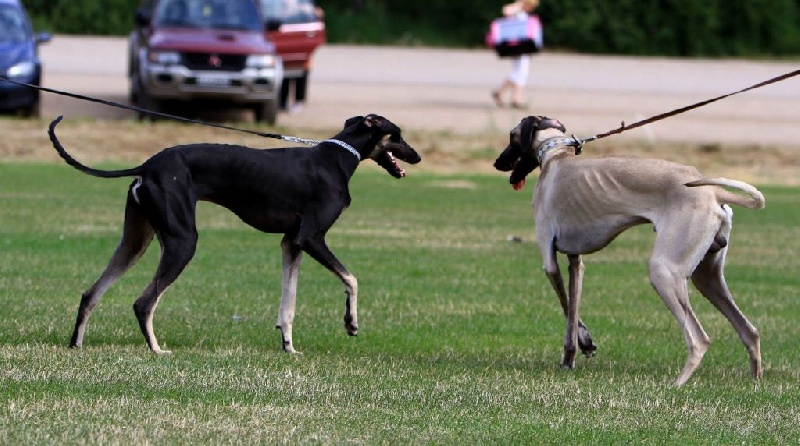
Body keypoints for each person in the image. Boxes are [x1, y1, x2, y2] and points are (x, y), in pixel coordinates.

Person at [491, 0, 540, 109]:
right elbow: (506, 11)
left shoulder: (522, 12)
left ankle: (514, 97)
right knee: (521, 71)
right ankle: (508, 95)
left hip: (522, 46)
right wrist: (519, 4)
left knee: (520, 71)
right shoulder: (517, 10)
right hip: (517, 45)